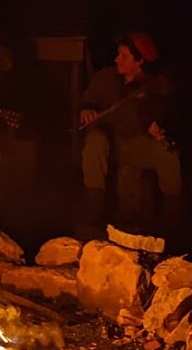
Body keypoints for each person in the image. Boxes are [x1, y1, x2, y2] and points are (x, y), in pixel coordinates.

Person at [77, 31, 181, 233]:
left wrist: (153, 124)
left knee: (167, 152)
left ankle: (173, 215)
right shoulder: (105, 78)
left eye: (124, 56)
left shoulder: (155, 85)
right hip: (110, 143)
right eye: (118, 54)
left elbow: (162, 112)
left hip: (134, 146)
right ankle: (94, 204)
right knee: (95, 140)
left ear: (140, 60)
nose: (117, 59)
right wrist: (86, 110)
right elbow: (87, 102)